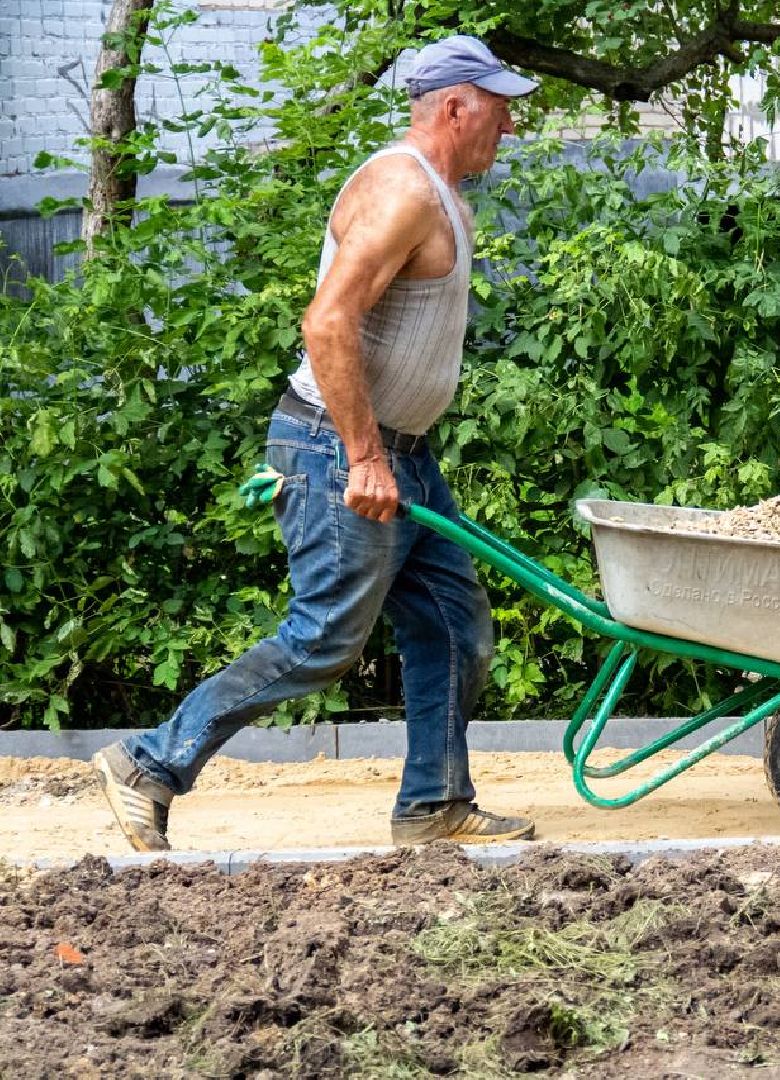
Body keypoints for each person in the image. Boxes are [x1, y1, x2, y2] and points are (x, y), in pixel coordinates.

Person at [92, 36, 540, 851]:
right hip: (340, 450)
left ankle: (433, 804)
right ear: (455, 107)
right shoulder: (401, 191)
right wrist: (364, 456)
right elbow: (327, 321)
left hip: (400, 455)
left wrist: (388, 454)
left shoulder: (442, 193)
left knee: (453, 625)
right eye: (501, 110)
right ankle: (149, 761)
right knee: (325, 640)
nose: (508, 127)